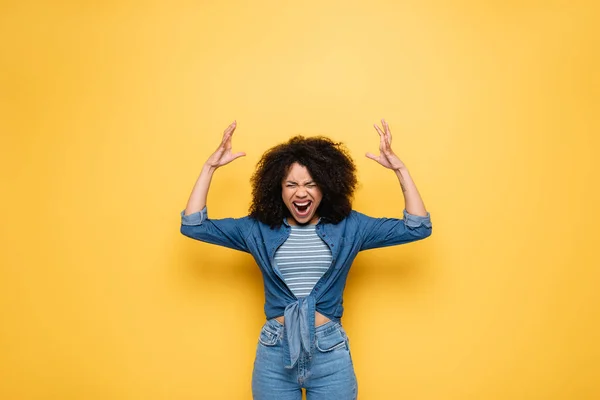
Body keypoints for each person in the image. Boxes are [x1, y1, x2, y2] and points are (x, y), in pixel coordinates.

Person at [180, 119, 432, 400]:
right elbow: (194, 226)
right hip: (274, 352)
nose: (301, 192)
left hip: (329, 352)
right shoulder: (257, 229)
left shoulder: (351, 227)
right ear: (279, 190)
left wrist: (400, 169)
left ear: (326, 188)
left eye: (311, 184)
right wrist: (209, 168)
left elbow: (418, 227)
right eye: (291, 185)